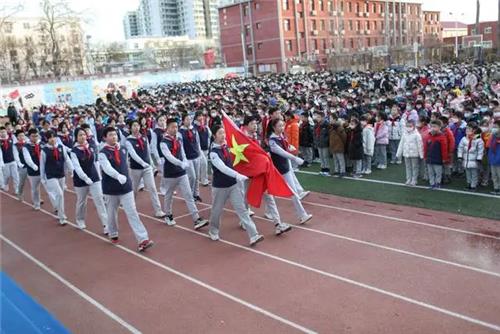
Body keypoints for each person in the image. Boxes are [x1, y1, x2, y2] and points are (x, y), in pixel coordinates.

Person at [98, 127, 154, 252]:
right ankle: (113, 233)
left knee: (132, 212)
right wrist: (117, 176)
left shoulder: (122, 149)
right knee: (112, 213)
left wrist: (125, 177)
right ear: (105, 137)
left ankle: (142, 239)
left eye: (115, 134)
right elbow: (106, 168)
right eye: (111, 135)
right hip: (111, 189)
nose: (114, 137)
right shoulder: (103, 153)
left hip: (126, 187)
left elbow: (124, 164)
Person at [208, 125, 265, 246]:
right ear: (214, 136)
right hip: (220, 187)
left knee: (242, 210)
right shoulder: (213, 153)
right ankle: (213, 230)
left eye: (224, 133)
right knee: (216, 211)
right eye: (220, 133)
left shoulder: (227, 146)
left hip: (233, 185)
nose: (223, 135)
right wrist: (237, 175)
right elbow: (222, 168)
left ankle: (253, 235)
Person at [159, 118, 209, 230]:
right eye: (172, 127)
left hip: (182, 173)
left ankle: (196, 218)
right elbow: (169, 157)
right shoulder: (164, 142)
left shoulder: (178, 139)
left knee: (188, 195)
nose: (175, 129)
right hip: (170, 174)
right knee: (169, 195)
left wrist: (185, 161)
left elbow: (182, 153)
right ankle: (168, 215)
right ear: (167, 128)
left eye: (176, 127)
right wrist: (181, 163)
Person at [268, 119, 313, 225]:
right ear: (274, 127)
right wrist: (294, 158)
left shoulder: (281, 137)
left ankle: (302, 215)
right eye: (279, 126)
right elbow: (281, 152)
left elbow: (285, 146)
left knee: (293, 193)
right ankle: (268, 211)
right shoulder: (272, 141)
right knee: (271, 193)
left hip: (285, 169)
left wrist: (289, 146)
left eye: (282, 125)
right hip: (276, 171)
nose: (282, 128)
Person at [125, 119, 166, 218]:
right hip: (135, 169)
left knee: (152, 188)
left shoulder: (144, 137)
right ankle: (131, 208)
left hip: (147, 167)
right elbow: (133, 155)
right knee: (134, 189)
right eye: (134, 125)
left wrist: (151, 164)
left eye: (137, 125)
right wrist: (143, 163)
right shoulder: (128, 140)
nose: (136, 127)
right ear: (130, 128)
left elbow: (147, 151)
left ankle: (158, 210)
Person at [70, 127, 108, 233]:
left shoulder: (91, 146)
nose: (82, 137)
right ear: (76, 137)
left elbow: (95, 161)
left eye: (84, 134)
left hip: (94, 177)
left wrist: (99, 176)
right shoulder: (74, 151)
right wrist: (85, 178)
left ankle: (106, 224)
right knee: (82, 201)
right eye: (80, 135)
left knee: (99, 200)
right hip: (81, 180)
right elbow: (77, 167)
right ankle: (80, 220)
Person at [40, 130, 73, 225]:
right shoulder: (44, 151)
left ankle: (58, 209)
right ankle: (62, 217)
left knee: (60, 194)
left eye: (54, 137)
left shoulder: (61, 147)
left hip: (61, 174)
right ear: (46, 139)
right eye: (50, 137)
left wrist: (72, 170)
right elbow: (42, 164)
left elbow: (67, 160)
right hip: (50, 176)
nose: (52, 139)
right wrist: (42, 177)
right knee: (59, 194)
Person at [179, 113, 203, 202]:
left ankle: (196, 194)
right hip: (188, 157)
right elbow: (180, 146)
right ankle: (189, 194)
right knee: (192, 177)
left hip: (196, 155)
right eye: (187, 119)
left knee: (197, 177)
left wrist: (200, 153)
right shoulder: (180, 132)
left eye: (190, 119)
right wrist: (183, 158)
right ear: (183, 121)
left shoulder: (194, 129)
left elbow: (197, 142)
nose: (189, 121)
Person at [457, 123, 484, 192]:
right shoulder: (464, 139)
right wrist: (460, 156)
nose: (467, 130)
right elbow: (460, 148)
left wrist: (479, 158)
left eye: (469, 129)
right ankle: (468, 184)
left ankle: (473, 186)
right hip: (466, 160)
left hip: (474, 160)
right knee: (468, 173)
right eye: (467, 128)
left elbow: (480, 150)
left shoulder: (478, 140)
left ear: (474, 130)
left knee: (474, 174)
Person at [396, 120, 424, 186]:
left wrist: (421, 155)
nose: (408, 127)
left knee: (415, 167)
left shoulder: (417, 135)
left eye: (410, 126)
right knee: (408, 167)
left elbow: (420, 145)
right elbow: (401, 144)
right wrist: (398, 153)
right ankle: (408, 179)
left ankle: (414, 180)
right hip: (406, 153)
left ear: (414, 126)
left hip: (414, 154)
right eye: (407, 126)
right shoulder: (404, 134)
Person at [424, 120, 449, 189]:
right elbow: (425, 147)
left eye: (435, 127)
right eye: (431, 126)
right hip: (429, 158)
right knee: (430, 172)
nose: (432, 128)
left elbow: (444, 149)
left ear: (439, 127)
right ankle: (432, 183)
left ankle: (437, 183)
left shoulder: (442, 137)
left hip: (438, 159)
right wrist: (425, 156)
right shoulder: (428, 136)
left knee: (438, 172)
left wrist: (444, 158)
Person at [0, 126, 21, 192]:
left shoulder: (11, 139)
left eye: (4, 132)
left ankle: (17, 188)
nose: (3, 133)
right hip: (5, 162)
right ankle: (5, 184)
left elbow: (14, 150)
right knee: (7, 175)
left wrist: (17, 161)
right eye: (1, 132)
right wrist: (1, 162)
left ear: (6, 132)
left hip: (12, 160)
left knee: (16, 175)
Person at [193, 111, 211, 186]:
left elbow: (209, 135)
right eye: (199, 116)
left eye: (202, 116)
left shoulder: (205, 126)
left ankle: (203, 178)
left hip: (205, 147)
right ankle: (203, 180)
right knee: (203, 164)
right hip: (199, 148)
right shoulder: (194, 126)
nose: (201, 117)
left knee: (204, 164)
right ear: (196, 117)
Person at [313, 110, 330, 176]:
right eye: (317, 117)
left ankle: (327, 169)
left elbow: (328, 135)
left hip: (325, 144)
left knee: (325, 157)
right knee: (321, 157)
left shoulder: (326, 125)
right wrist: (316, 141)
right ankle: (322, 169)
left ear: (323, 117)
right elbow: (314, 134)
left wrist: (325, 141)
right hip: (319, 143)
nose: (317, 118)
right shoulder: (316, 125)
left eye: (319, 117)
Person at [14, 129, 28, 200]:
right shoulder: (15, 146)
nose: (22, 137)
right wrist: (19, 164)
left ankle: (37, 198)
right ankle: (20, 193)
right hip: (22, 166)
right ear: (17, 137)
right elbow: (16, 156)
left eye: (23, 135)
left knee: (33, 183)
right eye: (20, 136)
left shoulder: (28, 143)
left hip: (30, 165)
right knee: (22, 182)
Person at [487, 120, 500, 195]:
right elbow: (489, 146)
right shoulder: (492, 136)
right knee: (494, 175)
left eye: (496, 127)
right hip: (493, 158)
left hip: (499, 160)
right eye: (493, 127)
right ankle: (496, 188)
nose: (494, 128)